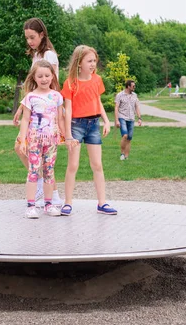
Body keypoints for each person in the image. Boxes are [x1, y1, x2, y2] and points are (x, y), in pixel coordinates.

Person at [60, 45, 115, 216]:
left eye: (94, 61)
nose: (93, 64)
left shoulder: (97, 80)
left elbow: (98, 102)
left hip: (93, 125)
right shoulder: (70, 83)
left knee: (97, 165)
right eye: (89, 61)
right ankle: (67, 203)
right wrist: (68, 134)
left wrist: (106, 121)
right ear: (79, 63)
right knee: (73, 165)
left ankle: (102, 203)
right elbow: (67, 110)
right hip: (76, 125)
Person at [13, 17, 63, 207]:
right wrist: (21, 108)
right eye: (27, 38)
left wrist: (56, 114)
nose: (29, 41)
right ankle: (45, 188)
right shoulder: (36, 55)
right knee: (24, 148)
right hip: (34, 107)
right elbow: (32, 87)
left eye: (32, 37)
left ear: (42, 35)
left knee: (45, 155)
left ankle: (52, 193)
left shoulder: (48, 55)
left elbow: (54, 84)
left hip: (46, 111)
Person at [17, 60, 64, 219]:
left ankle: (48, 204)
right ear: (34, 78)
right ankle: (30, 206)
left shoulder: (57, 96)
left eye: (47, 75)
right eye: (40, 76)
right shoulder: (30, 97)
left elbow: (60, 118)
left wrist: (65, 135)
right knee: (33, 171)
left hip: (51, 141)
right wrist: (23, 140)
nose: (44, 79)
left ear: (52, 76)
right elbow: (25, 120)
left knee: (49, 172)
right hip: (35, 140)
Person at [115, 80, 142, 161]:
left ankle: (126, 157)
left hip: (131, 118)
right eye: (133, 86)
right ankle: (122, 153)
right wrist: (116, 120)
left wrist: (139, 118)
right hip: (122, 117)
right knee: (125, 136)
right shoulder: (120, 95)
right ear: (128, 86)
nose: (134, 87)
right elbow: (116, 107)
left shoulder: (135, 95)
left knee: (129, 138)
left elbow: (137, 107)